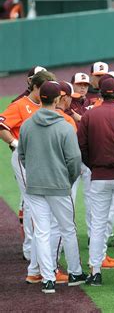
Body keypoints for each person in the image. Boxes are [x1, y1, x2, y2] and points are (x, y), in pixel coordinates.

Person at [18, 81, 86, 294]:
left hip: (35, 186)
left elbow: (21, 156)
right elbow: (74, 159)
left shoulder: (27, 124)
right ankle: (74, 272)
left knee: (42, 231)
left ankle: (48, 278)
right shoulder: (65, 126)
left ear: (41, 98)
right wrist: (69, 178)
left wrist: (37, 173)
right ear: (57, 99)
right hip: (59, 185)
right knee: (67, 229)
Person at [77, 78, 114, 286]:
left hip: (99, 177)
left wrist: (94, 166)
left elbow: (81, 147)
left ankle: (95, 272)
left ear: (100, 93)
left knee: (98, 225)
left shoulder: (89, 115)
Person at [0, 70, 55, 281]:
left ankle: (38, 252)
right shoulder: (20, 105)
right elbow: (2, 124)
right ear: (36, 87)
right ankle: (32, 252)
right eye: (47, 88)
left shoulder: (46, 103)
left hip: (44, 159)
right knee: (33, 203)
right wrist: (15, 144)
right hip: (25, 159)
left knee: (41, 205)